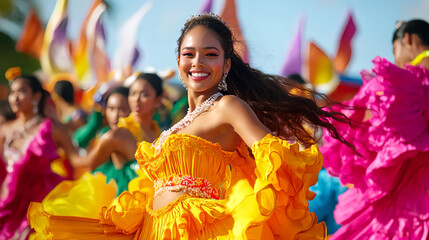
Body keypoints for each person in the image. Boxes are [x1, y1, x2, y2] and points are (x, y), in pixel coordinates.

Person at [28, 13, 353, 239]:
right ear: (179, 62)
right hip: (151, 229)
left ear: (226, 64)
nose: (198, 62)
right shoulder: (176, 125)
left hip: (200, 230)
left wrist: (256, 211)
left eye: (210, 54)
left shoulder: (228, 107)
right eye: (189, 54)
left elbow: (273, 154)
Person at [320, 19, 429, 239]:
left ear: (407, 38)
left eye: (394, 50)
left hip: (410, 195)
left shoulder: (408, 80)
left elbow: (364, 124)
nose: (396, 59)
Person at [0, 75, 79, 239]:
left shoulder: (51, 128)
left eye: (21, 91)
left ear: (36, 96)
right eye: (12, 92)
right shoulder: (4, 128)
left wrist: (104, 150)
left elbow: (76, 159)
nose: (15, 97)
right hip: (7, 201)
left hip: (38, 203)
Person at [67, 73, 162, 196]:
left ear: (158, 100)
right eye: (133, 93)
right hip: (126, 203)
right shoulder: (118, 134)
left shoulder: (159, 132)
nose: (136, 100)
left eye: (144, 94)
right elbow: (91, 165)